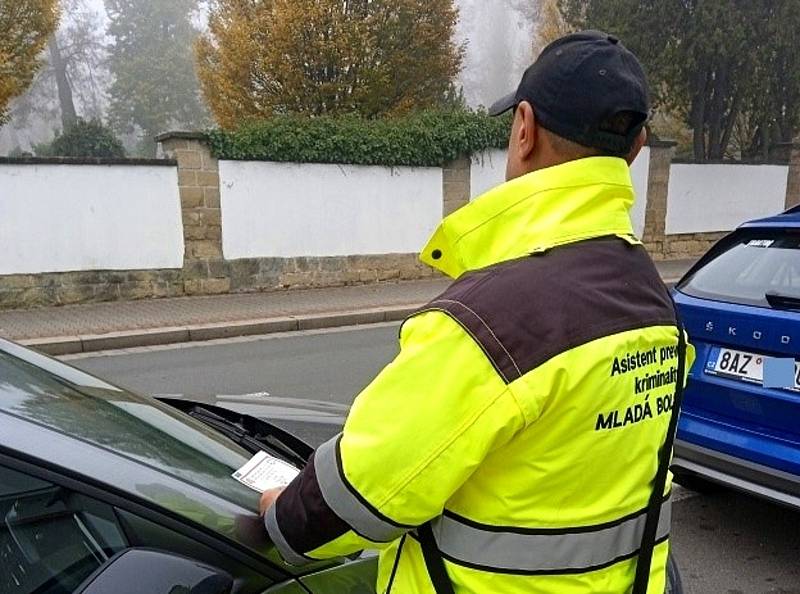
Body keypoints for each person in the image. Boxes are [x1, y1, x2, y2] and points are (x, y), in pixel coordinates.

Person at [260, 30, 694, 594]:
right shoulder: (653, 298)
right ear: (635, 150)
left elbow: (361, 494)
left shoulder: (491, 323)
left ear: (524, 128)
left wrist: (279, 515)